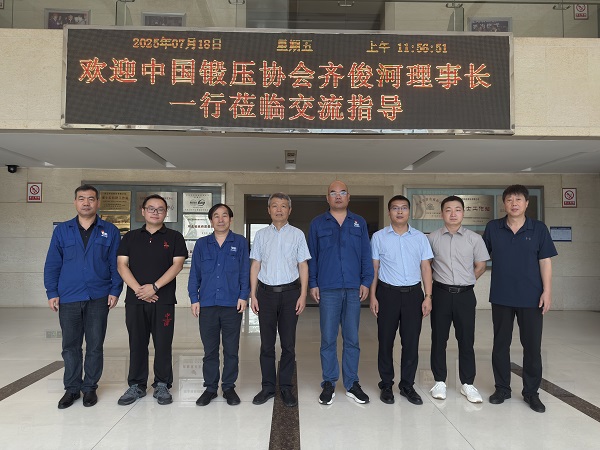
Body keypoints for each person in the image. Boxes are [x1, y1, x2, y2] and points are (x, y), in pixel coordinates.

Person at [44, 184, 123, 409]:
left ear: (98, 202)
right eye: (81, 198)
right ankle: (71, 388)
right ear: (75, 202)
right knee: (70, 345)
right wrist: (52, 292)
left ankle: (89, 388)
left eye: (90, 198)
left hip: (98, 296)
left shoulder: (110, 230)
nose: (86, 203)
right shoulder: (62, 230)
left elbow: (116, 264)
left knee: (95, 345)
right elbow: (52, 263)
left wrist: (115, 290)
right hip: (68, 296)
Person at [483, 185, 557, 413]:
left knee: (532, 347)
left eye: (518, 199)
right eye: (509, 200)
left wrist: (547, 291)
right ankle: (502, 389)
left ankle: (531, 393)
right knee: (500, 345)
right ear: (503, 204)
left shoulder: (539, 229)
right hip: (501, 296)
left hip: (531, 297)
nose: (514, 203)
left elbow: (545, 261)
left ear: (526, 203)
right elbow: (480, 257)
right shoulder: (493, 227)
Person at [116, 194, 187, 406]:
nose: (155, 212)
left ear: (166, 213)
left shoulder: (174, 237)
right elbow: (121, 265)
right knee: (137, 343)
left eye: (160, 209)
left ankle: (162, 384)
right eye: (151, 208)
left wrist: (154, 287)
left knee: (163, 343)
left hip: (163, 300)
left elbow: (177, 265)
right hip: (135, 300)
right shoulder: (130, 237)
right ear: (143, 211)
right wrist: (139, 290)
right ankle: (137, 385)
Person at [308, 180, 373, 405]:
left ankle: (352, 383)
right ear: (327, 198)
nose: (338, 196)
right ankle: (329, 382)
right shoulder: (317, 223)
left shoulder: (359, 222)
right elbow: (312, 256)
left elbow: (366, 254)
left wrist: (366, 281)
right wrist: (313, 283)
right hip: (328, 288)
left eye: (342, 192)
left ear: (348, 197)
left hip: (354, 288)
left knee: (352, 338)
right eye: (333, 193)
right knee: (328, 338)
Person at [370, 195, 433, 405]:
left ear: (409, 212)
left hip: (414, 295)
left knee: (411, 343)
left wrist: (428, 296)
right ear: (389, 212)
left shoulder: (420, 238)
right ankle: (386, 384)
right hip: (387, 294)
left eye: (404, 208)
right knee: (385, 341)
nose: (399, 211)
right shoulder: (378, 237)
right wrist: (373, 296)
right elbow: (375, 268)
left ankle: (407, 385)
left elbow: (426, 268)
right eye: (395, 208)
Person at [250, 193, 311, 408]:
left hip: (290, 294)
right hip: (265, 294)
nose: (279, 209)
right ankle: (267, 387)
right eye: (274, 206)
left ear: (289, 210)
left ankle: (285, 387)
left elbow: (303, 265)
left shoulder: (297, 235)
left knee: (288, 344)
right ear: (268, 210)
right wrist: (253, 294)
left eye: (283, 206)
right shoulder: (261, 235)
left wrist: (303, 294)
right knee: (266, 344)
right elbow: (255, 265)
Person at [427, 196, 490, 403]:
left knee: (466, 340)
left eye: (457, 210)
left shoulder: (474, 239)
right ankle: (439, 381)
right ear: (441, 213)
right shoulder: (432, 238)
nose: (453, 214)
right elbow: (426, 266)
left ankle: (468, 384)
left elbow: (481, 265)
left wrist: (467, 280)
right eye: (448, 210)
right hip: (441, 294)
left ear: (463, 213)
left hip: (465, 295)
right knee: (439, 339)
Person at [188, 203, 250, 406]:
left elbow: (245, 271)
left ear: (231, 219)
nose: (221, 219)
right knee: (210, 350)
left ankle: (229, 387)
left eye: (225, 215)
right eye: (216, 216)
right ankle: (210, 388)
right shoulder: (202, 244)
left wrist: (243, 296)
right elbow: (194, 273)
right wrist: (194, 298)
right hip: (207, 304)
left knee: (231, 349)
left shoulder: (240, 242)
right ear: (211, 220)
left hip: (232, 304)